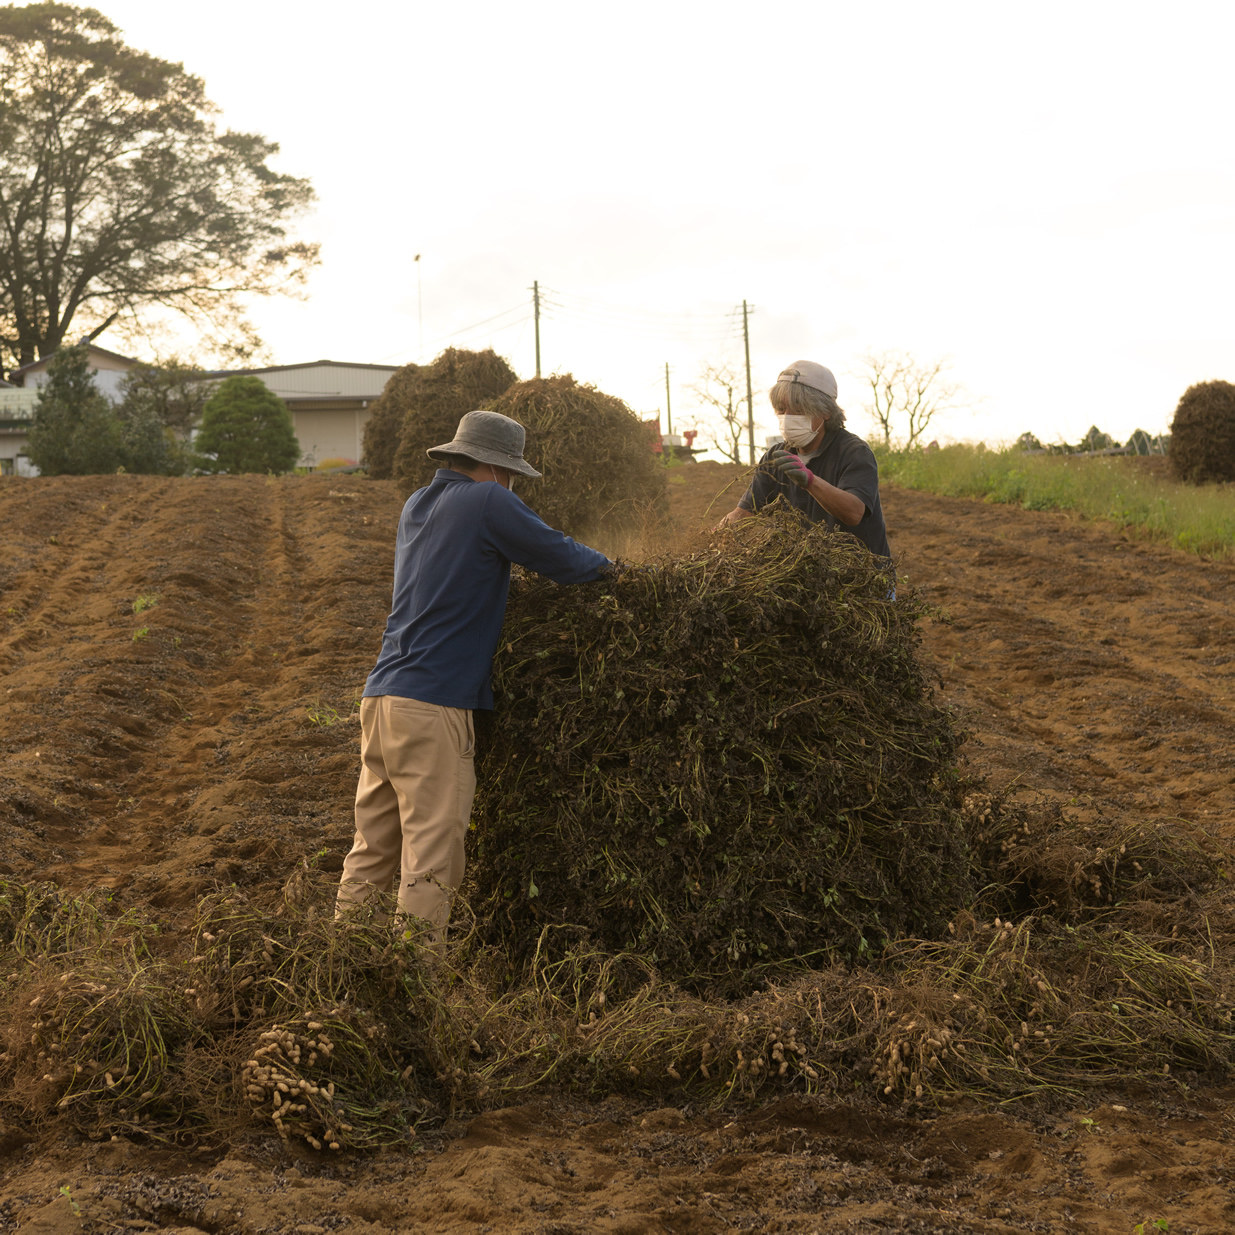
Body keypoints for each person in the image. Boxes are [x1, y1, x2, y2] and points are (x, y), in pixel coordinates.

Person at [335, 410, 613, 945]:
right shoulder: (488, 500)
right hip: (434, 706)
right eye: (511, 474)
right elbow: (562, 557)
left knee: (372, 849)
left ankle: (337, 962)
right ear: (492, 466)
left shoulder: (417, 504)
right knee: (432, 858)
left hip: (382, 696)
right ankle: (412, 991)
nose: (512, 484)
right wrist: (620, 572)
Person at [717, 359, 892, 562]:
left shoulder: (853, 452)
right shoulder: (775, 457)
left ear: (825, 411)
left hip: (864, 577)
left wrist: (810, 481)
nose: (788, 417)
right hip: (812, 578)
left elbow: (854, 512)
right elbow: (745, 512)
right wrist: (716, 533)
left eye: (798, 409)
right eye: (782, 410)